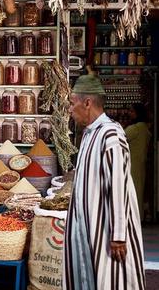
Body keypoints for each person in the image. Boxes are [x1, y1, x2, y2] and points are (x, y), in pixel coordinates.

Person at [64, 75, 145, 290]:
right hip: (89, 226)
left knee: (112, 280)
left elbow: (118, 184)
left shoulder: (111, 134)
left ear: (87, 103)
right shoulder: (90, 134)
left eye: (72, 104)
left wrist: (118, 235)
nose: (70, 110)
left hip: (108, 231)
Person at [125, 103, 151, 221]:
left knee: (133, 192)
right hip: (140, 164)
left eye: (132, 111)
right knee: (138, 192)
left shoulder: (135, 128)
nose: (129, 114)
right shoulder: (145, 127)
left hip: (133, 165)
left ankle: (134, 218)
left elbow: (121, 136)